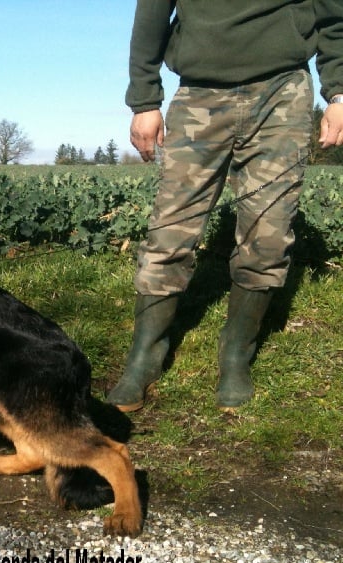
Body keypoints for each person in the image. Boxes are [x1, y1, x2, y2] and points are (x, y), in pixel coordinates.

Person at [110, 0, 343, 413]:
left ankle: (236, 352)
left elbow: (334, 15)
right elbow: (150, 15)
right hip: (199, 92)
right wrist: (144, 100)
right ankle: (145, 354)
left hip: (282, 93)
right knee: (170, 229)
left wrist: (339, 91)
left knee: (269, 234)